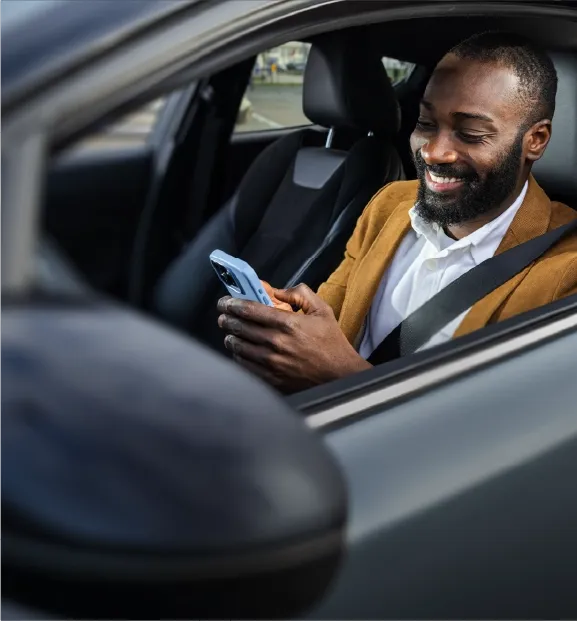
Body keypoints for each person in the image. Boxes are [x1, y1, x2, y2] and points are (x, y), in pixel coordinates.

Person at [217, 32, 577, 393]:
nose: (434, 152)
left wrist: (344, 377)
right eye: (425, 124)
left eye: (470, 133)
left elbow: (511, 429)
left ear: (536, 140)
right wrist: (285, 325)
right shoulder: (390, 203)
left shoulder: (567, 273)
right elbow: (334, 319)